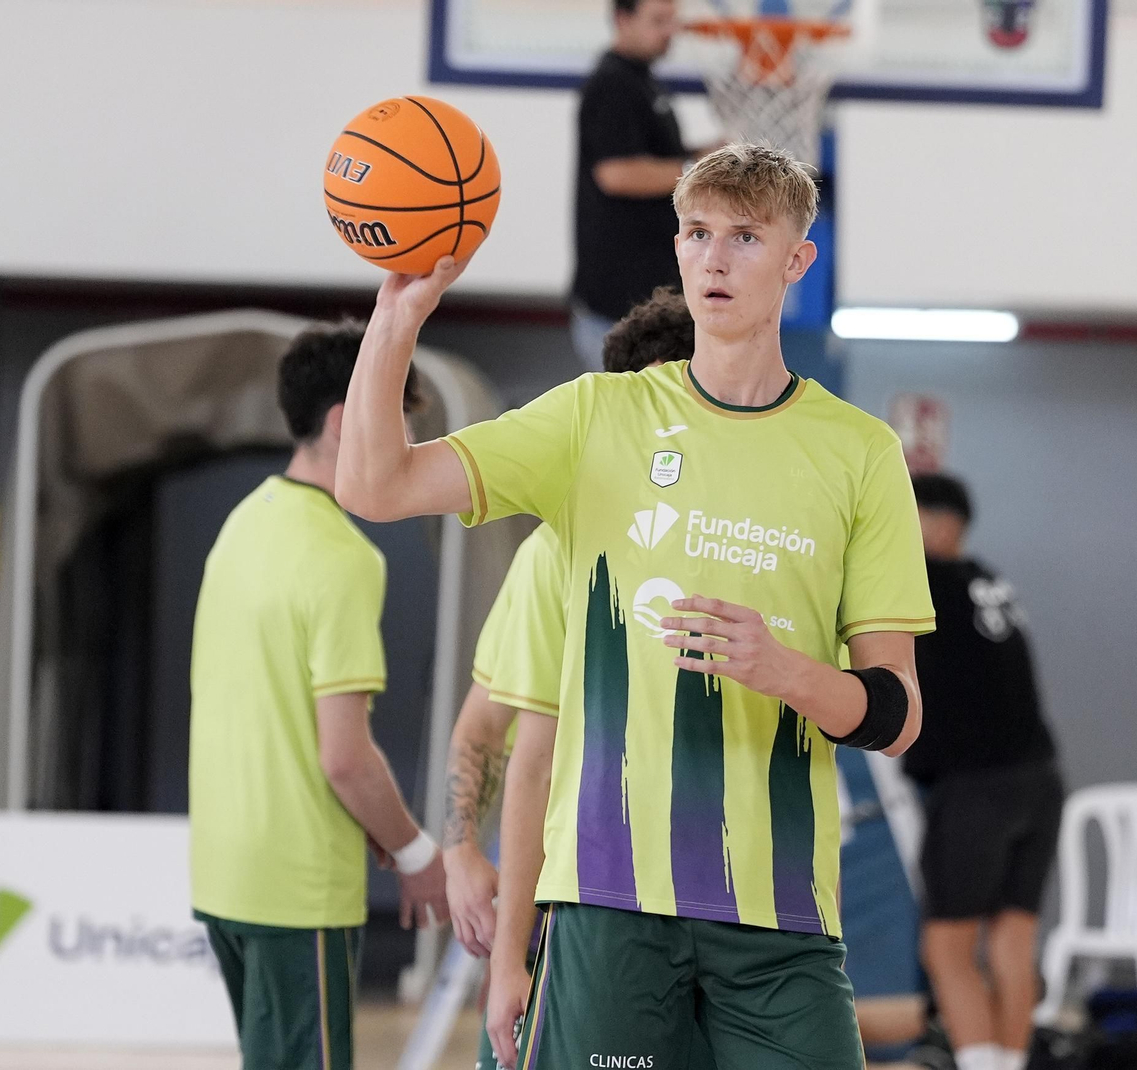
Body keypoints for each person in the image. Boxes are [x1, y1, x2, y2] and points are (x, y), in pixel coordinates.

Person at [339, 143, 934, 1070]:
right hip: (610, 907)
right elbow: (375, 484)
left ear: (797, 260)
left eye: (745, 236)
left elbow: (898, 715)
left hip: (779, 914)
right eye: (697, 233)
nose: (715, 258)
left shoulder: (860, 453)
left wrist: (784, 670)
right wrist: (396, 320)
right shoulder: (594, 419)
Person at [439, 289, 700, 1070]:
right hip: (580, 909)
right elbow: (496, 735)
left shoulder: (751, 548)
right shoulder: (558, 551)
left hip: (709, 912)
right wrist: (461, 855)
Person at [188, 321, 448, 1070]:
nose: (402, 445)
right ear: (345, 421)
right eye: (397, 421)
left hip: (226, 873)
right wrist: (416, 851)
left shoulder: (244, 524)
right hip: (298, 889)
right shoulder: (343, 557)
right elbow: (344, 757)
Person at [904, 473, 1063, 1070]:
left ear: (940, 522)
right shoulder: (988, 579)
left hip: (976, 787)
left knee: (946, 946)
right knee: (1011, 940)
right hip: (1040, 782)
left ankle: (976, 1062)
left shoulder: (927, 581)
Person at [570, 0, 709, 369]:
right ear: (622, 19)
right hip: (618, 305)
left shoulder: (643, 80)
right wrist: (702, 170)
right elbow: (617, 173)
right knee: (624, 418)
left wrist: (706, 152)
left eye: (673, 21)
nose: (669, 31)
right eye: (657, 21)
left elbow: (654, 156)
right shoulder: (612, 84)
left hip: (648, 295)